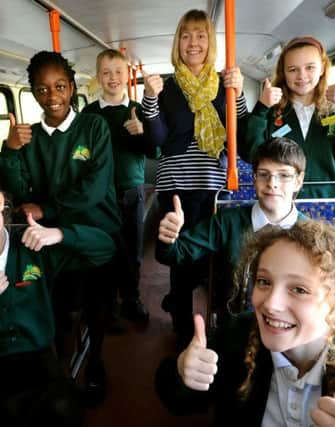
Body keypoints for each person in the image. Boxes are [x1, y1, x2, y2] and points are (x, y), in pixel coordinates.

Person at [155, 220, 335, 426]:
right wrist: (182, 372)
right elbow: (177, 402)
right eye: (264, 282)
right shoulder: (240, 334)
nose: (270, 303)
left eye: (299, 290)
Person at [0, 168, 116, 427]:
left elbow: (105, 248)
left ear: (0, 201)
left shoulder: (33, 245)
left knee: (62, 411)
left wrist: (59, 234)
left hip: (37, 359)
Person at [0, 50, 122, 406]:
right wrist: (9, 150)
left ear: (72, 87)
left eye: (60, 87)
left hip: (98, 232)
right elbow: (18, 191)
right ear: (34, 93)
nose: (52, 97)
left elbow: (95, 188)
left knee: (97, 306)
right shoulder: (28, 137)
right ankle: (64, 372)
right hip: (51, 240)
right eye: (42, 89)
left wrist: (48, 207)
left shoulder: (93, 127)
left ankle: (95, 362)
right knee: (63, 308)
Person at [141, 9, 248, 344]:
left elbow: (239, 133)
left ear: (210, 42)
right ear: (178, 43)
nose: (193, 43)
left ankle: (217, 326)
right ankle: (183, 328)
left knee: (215, 258)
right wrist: (149, 99)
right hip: (176, 186)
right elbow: (156, 139)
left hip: (214, 185)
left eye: (201, 35)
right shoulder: (169, 87)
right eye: (186, 35)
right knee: (181, 259)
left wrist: (240, 92)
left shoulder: (223, 84)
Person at [156, 137, 307, 334]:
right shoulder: (227, 221)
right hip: (235, 330)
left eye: (284, 176)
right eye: (264, 174)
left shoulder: (311, 234)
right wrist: (169, 238)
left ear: (298, 181)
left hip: (289, 330)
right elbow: (174, 254)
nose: (272, 183)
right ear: (254, 178)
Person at [239, 36, 335, 199]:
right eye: (293, 69)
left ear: (322, 68)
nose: (301, 76)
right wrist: (261, 108)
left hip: (327, 205)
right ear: (284, 73)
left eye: (310, 67)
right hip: (280, 205)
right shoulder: (270, 111)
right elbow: (251, 155)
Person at [82, 48, 159, 326]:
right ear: (98, 77)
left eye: (118, 72)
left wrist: (141, 132)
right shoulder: (89, 114)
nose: (112, 78)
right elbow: (81, 152)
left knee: (132, 251)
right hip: (98, 194)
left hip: (131, 190)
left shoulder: (138, 110)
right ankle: (108, 304)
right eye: (106, 72)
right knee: (104, 250)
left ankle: (131, 299)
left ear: (127, 75)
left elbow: (154, 152)